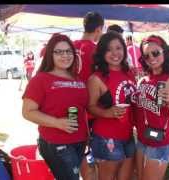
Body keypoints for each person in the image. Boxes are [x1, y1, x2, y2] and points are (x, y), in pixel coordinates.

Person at [22, 33, 89, 180]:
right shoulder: (40, 80)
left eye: (68, 51)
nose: (65, 55)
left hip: (79, 140)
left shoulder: (78, 79)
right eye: (59, 52)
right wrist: (57, 123)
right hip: (56, 142)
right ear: (50, 54)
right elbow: (27, 112)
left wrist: (88, 136)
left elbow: (82, 109)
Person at [133, 35, 169, 180]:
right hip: (142, 138)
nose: (151, 57)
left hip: (160, 141)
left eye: (156, 53)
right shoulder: (143, 79)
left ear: (164, 51)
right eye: (146, 55)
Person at [87, 31, 137, 180]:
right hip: (106, 137)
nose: (115, 53)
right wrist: (107, 113)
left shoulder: (129, 73)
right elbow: (90, 106)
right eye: (109, 49)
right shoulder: (96, 78)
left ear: (124, 49)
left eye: (118, 48)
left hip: (128, 135)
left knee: (125, 177)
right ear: (102, 53)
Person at [73, 11, 104, 180]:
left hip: (70, 107)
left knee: (75, 148)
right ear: (99, 29)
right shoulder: (95, 49)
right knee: (89, 150)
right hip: (89, 110)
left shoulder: (70, 45)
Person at [73, 11, 104, 82]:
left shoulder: (70, 45)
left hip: (69, 89)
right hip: (87, 91)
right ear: (98, 29)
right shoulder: (97, 49)